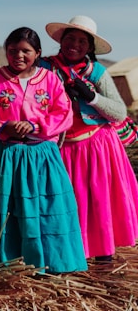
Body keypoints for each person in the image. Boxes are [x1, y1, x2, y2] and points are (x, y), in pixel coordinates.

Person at [0, 27, 87, 273]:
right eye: (13, 51)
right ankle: (10, 265)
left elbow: (63, 114)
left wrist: (35, 125)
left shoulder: (50, 79)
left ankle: (52, 263)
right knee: (9, 210)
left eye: (26, 51)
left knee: (46, 208)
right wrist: (4, 126)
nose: (19, 56)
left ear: (38, 53)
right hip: (6, 156)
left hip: (41, 157)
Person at [40, 15, 138, 262]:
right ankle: (70, 254)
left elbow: (118, 111)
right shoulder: (44, 68)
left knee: (98, 200)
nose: (75, 44)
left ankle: (104, 255)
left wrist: (91, 96)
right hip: (62, 148)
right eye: (70, 38)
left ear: (90, 47)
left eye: (82, 41)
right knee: (68, 201)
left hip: (96, 146)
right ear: (61, 41)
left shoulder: (97, 73)